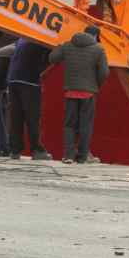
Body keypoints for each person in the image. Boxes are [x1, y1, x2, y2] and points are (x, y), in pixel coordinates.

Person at [49, 25, 109, 164]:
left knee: (69, 125)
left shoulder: (68, 45)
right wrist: (95, 86)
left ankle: (68, 156)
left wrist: (58, 47)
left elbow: (52, 59)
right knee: (85, 125)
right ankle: (82, 156)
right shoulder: (98, 49)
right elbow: (104, 73)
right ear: (95, 36)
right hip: (88, 93)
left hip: (71, 92)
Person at [6, 38, 52, 161]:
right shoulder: (41, 40)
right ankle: (37, 150)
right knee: (32, 117)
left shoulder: (22, 39)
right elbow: (51, 58)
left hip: (12, 79)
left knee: (16, 117)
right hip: (29, 81)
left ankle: (15, 150)